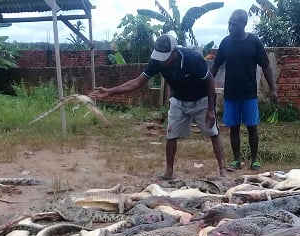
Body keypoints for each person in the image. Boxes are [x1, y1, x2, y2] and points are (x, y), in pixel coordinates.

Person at [90, 34, 227, 180]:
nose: (162, 61)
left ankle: (223, 169)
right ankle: (168, 172)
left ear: (174, 52)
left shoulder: (192, 59)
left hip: (201, 99)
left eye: (165, 57)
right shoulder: (157, 61)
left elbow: (210, 80)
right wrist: (110, 92)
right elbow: (137, 82)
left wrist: (210, 109)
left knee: (213, 132)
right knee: (171, 135)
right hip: (178, 99)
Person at [210, 9, 278, 171]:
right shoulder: (225, 43)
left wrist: (273, 89)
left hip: (249, 94)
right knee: (233, 127)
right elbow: (215, 66)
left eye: (234, 24)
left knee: (252, 127)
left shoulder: (254, 42)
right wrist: (204, 83)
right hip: (231, 93)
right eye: (229, 24)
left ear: (243, 24)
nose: (231, 27)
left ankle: (254, 160)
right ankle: (236, 160)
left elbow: (266, 67)